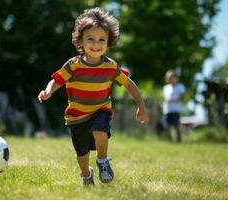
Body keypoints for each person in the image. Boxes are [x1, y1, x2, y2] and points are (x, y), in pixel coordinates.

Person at [38, 7, 148, 186]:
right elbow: (58, 80)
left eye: (101, 40)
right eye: (90, 39)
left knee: (100, 130)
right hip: (76, 115)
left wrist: (141, 107)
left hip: (100, 110)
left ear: (108, 43)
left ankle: (103, 162)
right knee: (82, 153)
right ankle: (86, 175)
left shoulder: (110, 67)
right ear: (80, 41)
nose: (96, 44)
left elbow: (129, 84)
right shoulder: (74, 65)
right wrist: (49, 90)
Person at [162, 70, 186, 142]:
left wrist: (173, 100)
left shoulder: (180, 86)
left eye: (172, 77)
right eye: (169, 78)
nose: (170, 79)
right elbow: (165, 99)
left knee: (176, 125)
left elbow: (182, 98)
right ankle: (170, 141)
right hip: (167, 110)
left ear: (176, 78)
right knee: (167, 126)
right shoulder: (165, 88)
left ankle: (179, 140)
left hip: (176, 109)